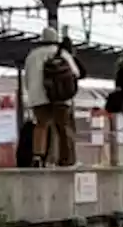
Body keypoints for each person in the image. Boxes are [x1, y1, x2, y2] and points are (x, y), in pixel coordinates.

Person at [23, 26, 81, 167]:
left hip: (38, 97)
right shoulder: (62, 53)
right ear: (56, 39)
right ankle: (66, 159)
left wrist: (31, 93)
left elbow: (27, 77)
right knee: (63, 128)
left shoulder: (32, 55)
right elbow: (76, 73)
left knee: (41, 126)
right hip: (60, 97)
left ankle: (38, 157)